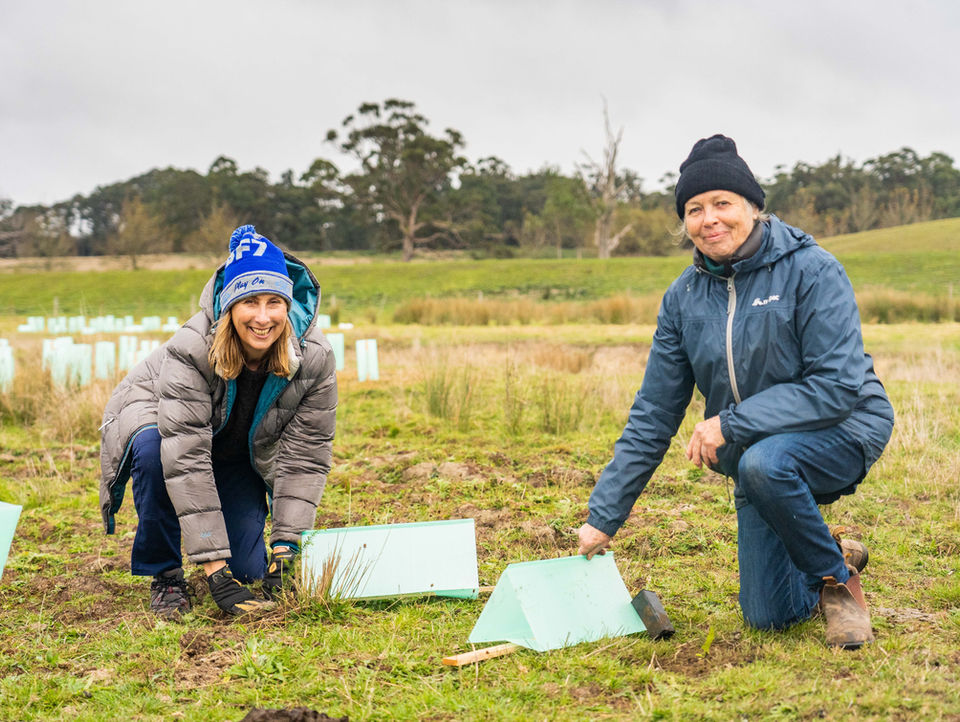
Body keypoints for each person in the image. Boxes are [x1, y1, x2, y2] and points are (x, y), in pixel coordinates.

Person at [577, 135, 894, 649]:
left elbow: (835, 387)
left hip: (843, 428)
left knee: (765, 464)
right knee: (770, 617)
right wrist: (603, 517)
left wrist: (730, 422)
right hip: (758, 452)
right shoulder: (682, 297)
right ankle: (827, 545)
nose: (709, 219)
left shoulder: (812, 270)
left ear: (753, 206)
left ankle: (838, 584)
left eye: (722, 203)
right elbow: (655, 410)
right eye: (695, 209)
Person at [99, 225, 337, 618]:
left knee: (248, 569)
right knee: (154, 453)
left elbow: (305, 456)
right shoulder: (191, 352)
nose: (263, 318)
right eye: (250, 302)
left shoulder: (313, 359)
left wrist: (285, 551)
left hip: (235, 448)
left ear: (288, 305)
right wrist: (214, 571)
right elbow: (186, 458)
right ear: (229, 307)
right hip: (162, 425)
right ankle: (167, 575)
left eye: (274, 302)